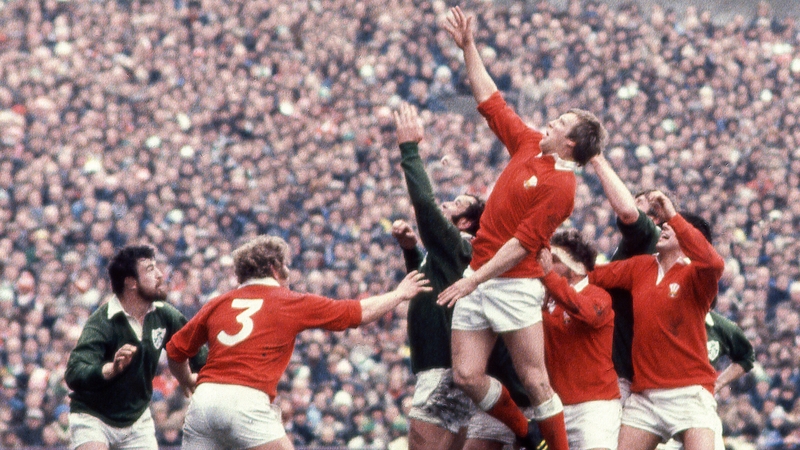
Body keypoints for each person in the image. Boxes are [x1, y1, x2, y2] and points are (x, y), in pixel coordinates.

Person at [437, 6, 607, 449]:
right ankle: (523, 430)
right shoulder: (531, 144)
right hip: (479, 276)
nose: (550, 122)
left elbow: (521, 245)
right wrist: (468, 47)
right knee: (466, 375)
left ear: (570, 142)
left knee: (535, 380)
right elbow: (491, 102)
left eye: (561, 123)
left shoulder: (562, 187)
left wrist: (473, 279)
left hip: (512, 283)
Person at [164, 235, 431, 450]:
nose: (289, 272)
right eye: (286, 265)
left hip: (204, 401)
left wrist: (187, 380)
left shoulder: (218, 302)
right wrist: (399, 294)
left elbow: (175, 350)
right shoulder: (288, 300)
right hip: (246, 400)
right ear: (274, 267)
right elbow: (358, 313)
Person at [391, 103, 538, 450]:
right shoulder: (449, 255)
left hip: (442, 367)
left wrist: (409, 150)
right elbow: (430, 288)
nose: (446, 205)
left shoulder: (461, 246)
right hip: (444, 364)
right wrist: (411, 252)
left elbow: (424, 206)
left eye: (456, 204)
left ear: (467, 222)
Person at [589, 191, 725, 450]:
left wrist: (673, 214)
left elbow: (714, 263)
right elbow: (595, 276)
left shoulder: (697, 276)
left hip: (690, 393)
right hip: (646, 396)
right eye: (665, 224)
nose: (665, 226)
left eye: (673, 226)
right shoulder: (642, 266)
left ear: (691, 237)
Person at [65, 245, 205, 450]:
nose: (160, 275)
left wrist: (206, 376)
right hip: (94, 416)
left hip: (136, 419)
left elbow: (197, 352)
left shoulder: (164, 314)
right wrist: (111, 369)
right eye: (150, 269)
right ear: (131, 282)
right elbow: (74, 373)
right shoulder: (102, 322)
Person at [538, 229, 620, 450]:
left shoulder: (598, 295)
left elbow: (587, 313)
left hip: (595, 407)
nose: (547, 265)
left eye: (555, 260)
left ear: (576, 267)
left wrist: (549, 278)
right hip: (556, 407)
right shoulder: (545, 299)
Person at [588, 153, 660, 403]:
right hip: (621, 363)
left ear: (655, 217)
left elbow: (628, 212)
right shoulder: (635, 245)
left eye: (639, 201)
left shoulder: (650, 234)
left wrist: (597, 159)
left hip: (622, 370)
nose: (631, 202)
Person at [661, 308, 755, 450]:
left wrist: (719, 383)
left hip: (700, 406)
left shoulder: (719, 325)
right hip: (664, 403)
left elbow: (747, 356)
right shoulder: (666, 320)